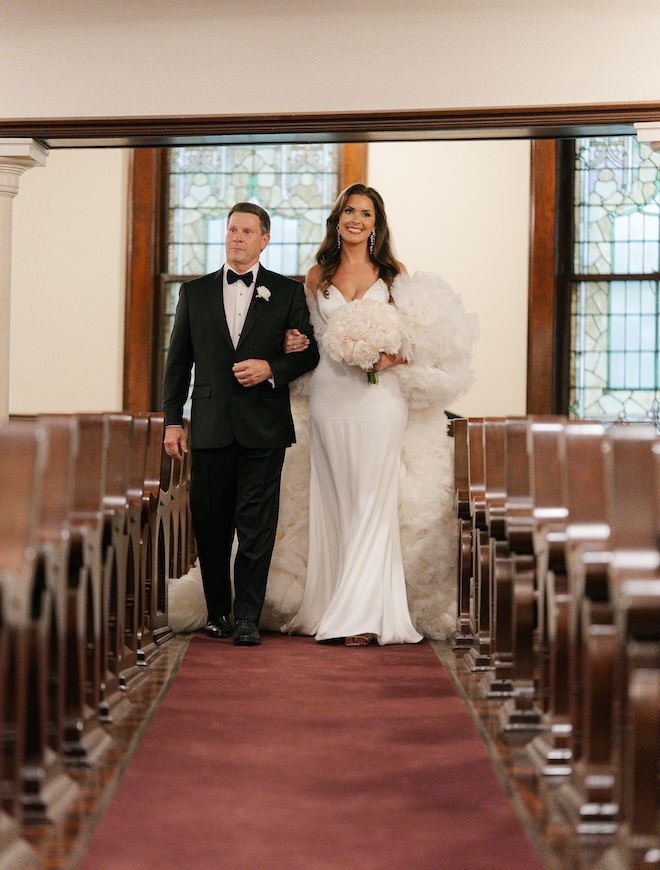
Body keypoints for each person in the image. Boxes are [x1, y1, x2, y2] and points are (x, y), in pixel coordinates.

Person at [162, 202, 319, 646]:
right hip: (210, 424)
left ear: (264, 240)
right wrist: (174, 420)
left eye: (247, 231)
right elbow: (178, 364)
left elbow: (308, 353)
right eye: (232, 229)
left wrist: (271, 368)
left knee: (256, 525)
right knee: (211, 524)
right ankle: (217, 613)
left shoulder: (286, 293)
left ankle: (248, 616)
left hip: (264, 426)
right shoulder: (194, 293)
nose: (237, 237)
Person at [282, 184, 423, 646]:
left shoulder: (393, 272)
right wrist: (293, 343)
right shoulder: (315, 276)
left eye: (365, 212)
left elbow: (417, 341)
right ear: (338, 219)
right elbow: (305, 337)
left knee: (371, 498)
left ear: (376, 223)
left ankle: (364, 614)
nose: (356, 219)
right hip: (330, 395)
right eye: (348, 211)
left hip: (379, 401)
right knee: (338, 498)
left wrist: (387, 359)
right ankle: (332, 604)